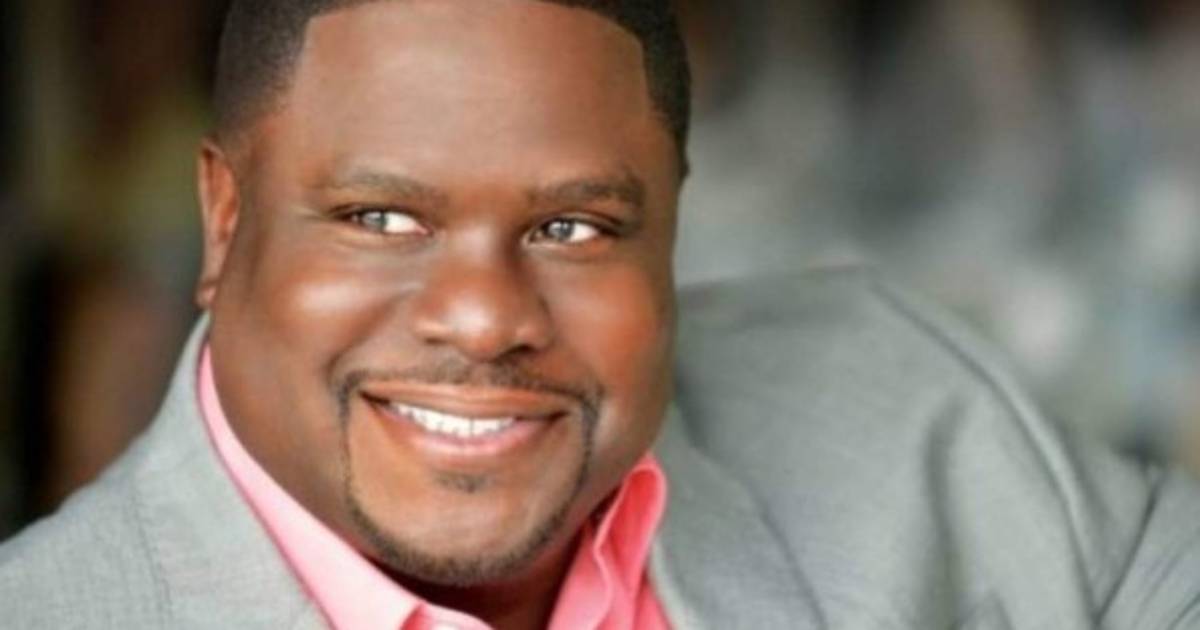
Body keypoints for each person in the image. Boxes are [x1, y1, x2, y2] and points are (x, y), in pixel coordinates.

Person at [2, 1, 1200, 628]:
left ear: (670, 226)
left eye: (572, 228)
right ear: (224, 223)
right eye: (382, 218)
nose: (482, 319)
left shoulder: (884, 390)